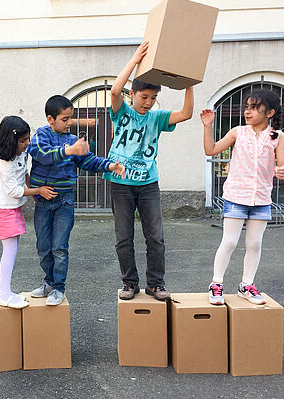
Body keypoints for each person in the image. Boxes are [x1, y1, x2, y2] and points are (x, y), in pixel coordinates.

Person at [105, 41, 194, 302]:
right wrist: (134, 60)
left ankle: (155, 284)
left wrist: (188, 82)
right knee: (124, 237)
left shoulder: (157, 117)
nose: (148, 102)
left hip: (148, 184)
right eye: (144, 97)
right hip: (120, 183)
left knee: (155, 237)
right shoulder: (121, 113)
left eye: (153, 98)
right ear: (133, 94)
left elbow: (187, 113)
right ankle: (129, 283)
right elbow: (115, 90)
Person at [27, 95, 126, 305]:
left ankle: (58, 288)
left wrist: (111, 166)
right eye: (64, 119)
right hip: (43, 202)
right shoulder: (40, 136)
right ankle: (49, 282)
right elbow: (43, 155)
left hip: (64, 201)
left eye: (70, 118)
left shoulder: (73, 140)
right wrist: (70, 150)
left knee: (59, 248)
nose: (69, 123)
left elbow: (89, 161)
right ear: (50, 119)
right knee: (43, 248)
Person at [201, 89, 284, 305]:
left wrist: (282, 170)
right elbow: (210, 150)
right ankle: (216, 284)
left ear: (269, 112)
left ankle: (247, 285)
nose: (248, 112)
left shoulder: (277, 136)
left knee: (255, 244)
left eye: (254, 107)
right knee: (229, 242)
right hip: (235, 196)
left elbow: (283, 164)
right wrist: (208, 126)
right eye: (247, 107)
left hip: (261, 199)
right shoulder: (237, 132)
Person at [0, 116, 57, 309]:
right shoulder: (5, 162)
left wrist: (31, 186)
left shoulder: (20, 153)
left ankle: (6, 290)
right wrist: (38, 190)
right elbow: (13, 191)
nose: (28, 143)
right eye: (23, 141)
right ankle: (3, 293)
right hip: (4, 208)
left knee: (14, 249)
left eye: (28, 139)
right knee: (9, 251)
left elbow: (24, 174)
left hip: (13, 207)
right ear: (11, 141)